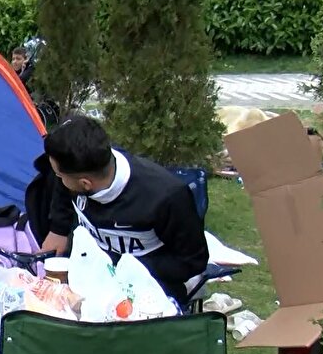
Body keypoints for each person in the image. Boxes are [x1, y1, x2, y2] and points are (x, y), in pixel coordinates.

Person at [37, 115, 208, 306]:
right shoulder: (85, 164)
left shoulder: (167, 197)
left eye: (59, 176)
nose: (58, 180)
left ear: (86, 183)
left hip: (149, 288)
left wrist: (125, 268)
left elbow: (193, 261)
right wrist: (58, 229)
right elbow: (63, 184)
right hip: (87, 273)